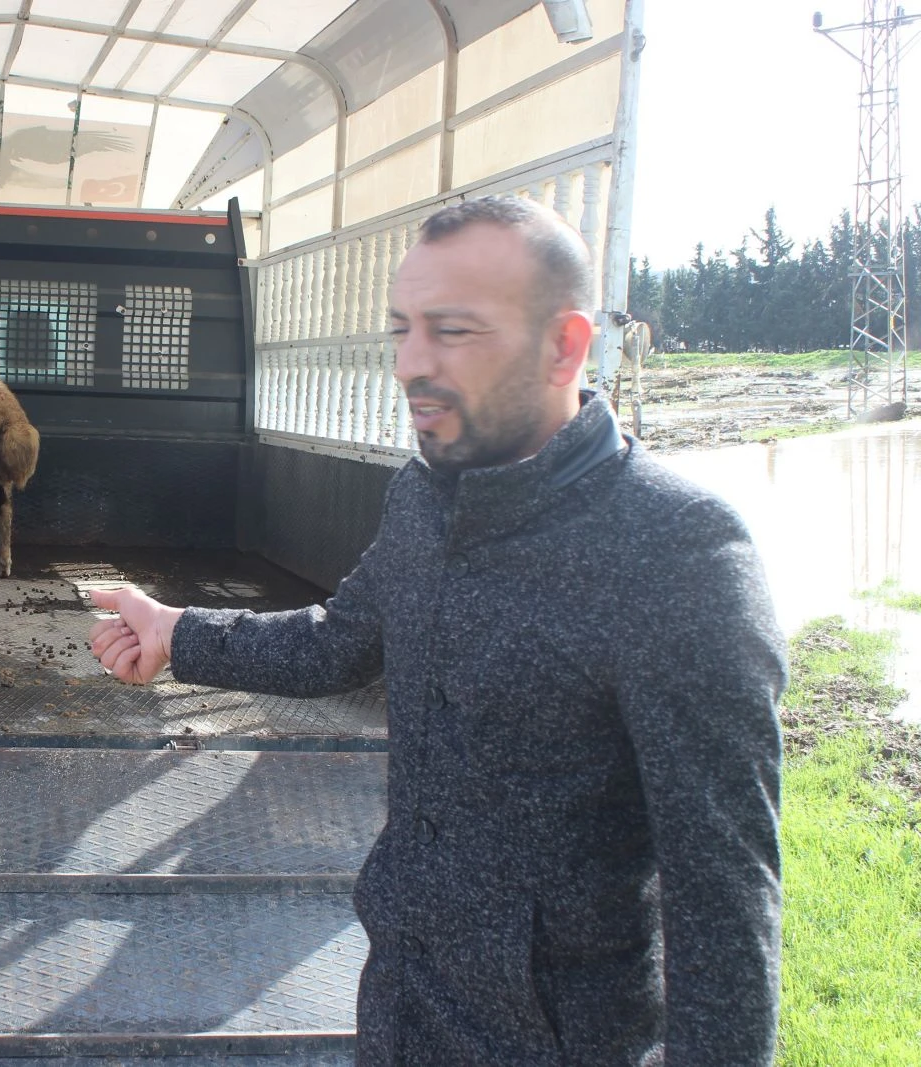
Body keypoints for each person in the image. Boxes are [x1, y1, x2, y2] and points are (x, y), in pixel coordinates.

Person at [89, 195, 787, 1066]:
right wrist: (179, 631)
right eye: (401, 329)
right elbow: (338, 639)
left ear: (565, 345)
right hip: (398, 1004)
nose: (410, 363)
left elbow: (725, 898)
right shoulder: (425, 495)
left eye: (453, 331)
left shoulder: (678, 554)